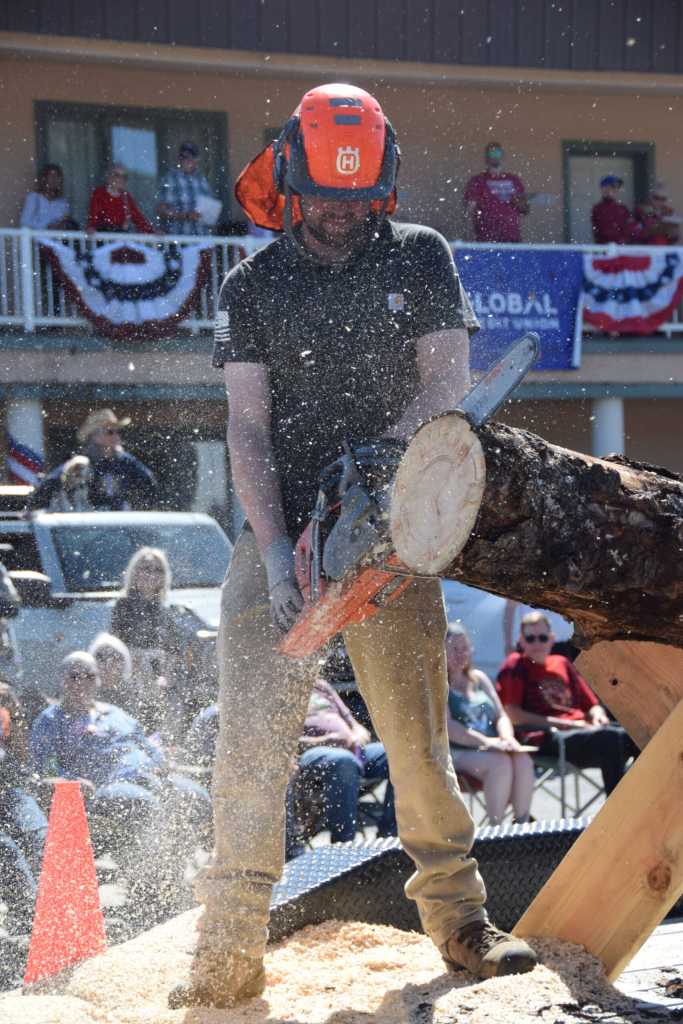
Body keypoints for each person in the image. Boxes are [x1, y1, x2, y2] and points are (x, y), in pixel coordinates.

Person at [169, 82, 536, 1011]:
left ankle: (459, 925)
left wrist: (365, 496)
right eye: (323, 196)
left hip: (388, 533)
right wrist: (277, 541)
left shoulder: (420, 258)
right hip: (274, 528)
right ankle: (227, 952)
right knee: (251, 748)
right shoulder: (252, 284)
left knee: (415, 742)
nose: (338, 215)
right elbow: (246, 429)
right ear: (290, 173)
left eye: (354, 197)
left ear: (381, 183)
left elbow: (444, 384)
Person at [497, 612, 633, 796]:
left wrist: (598, 715)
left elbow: (592, 704)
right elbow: (512, 714)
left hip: (583, 733)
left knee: (635, 736)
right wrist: (563, 724)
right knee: (609, 739)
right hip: (546, 739)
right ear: (521, 641)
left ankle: (641, 801)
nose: (537, 644)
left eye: (542, 637)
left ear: (552, 639)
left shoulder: (561, 663)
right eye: (531, 638)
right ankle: (619, 807)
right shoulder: (515, 665)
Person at [446, 624, 534, 825]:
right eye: (453, 649)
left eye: (464, 648)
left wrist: (506, 738)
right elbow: (449, 728)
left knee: (522, 759)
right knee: (500, 763)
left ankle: (522, 824)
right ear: (441, 652)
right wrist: (488, 742)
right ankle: (496, 829)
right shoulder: (440, 685)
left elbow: (501, 715)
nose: (461, 654)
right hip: (457, 751)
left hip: (492, 746)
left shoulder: (479, 678)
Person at [110, 547, 191, 738]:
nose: (151, 574)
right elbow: (118, 647)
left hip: (160, 679)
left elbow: (173, 650)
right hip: (134, 676)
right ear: (135, 572)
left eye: (157, 570)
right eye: (146, 568)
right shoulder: (123, 605)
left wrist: (166, 674)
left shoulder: (166, 608)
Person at [31, 408, 158, 511]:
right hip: (92, 528)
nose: (117, 436)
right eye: (110, 432)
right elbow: (49, 484)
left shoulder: (124, 461)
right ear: (95, 437)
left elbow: (149, 483)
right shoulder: (81, 464)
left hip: (121, 526)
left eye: (117, 431)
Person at [463, 142, 529, 243]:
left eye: (497, 153)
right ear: (486, 157)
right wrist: (469, 237)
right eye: (491, 153)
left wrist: (518, 202)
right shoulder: (478, 180)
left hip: (512, 237)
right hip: (486, 238)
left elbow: (525, 209)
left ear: (502, 155)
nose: (494, 156)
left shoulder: (514, 180)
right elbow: (470, 210)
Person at [156, 142, 216, 236]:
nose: (188, 160)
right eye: (184, 156)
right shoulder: (170, 178)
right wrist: (186, 215)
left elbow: (210, 213)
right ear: (179, 158)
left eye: (192, 156)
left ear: (197, 159)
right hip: (178, 240)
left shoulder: (202, 180)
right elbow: (161, 211)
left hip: (201, 240)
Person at [87, 164, 154, 234]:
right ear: (109, 177)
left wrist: (153, 232)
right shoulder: (99, 193)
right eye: (117, 175)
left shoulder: (126, 197)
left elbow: (138, 219)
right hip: (103, 237)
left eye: (124, 177)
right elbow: (93, 216)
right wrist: (91, 227)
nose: (121, 179)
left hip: (120, 238)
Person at [19, 163, 74, 231]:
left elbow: (65, 222)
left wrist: (60, 225)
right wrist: (46, 226)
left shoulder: (63, 202)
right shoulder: (34, 198)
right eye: (51, 176)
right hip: (37, 240)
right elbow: (25, 222)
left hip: (56, 240)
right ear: (44, 179)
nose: (54, 179)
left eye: (57, 176)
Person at [591, 174, 642, 245]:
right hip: (606, 248)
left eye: (617, 187)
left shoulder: (622, 208)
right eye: (612, 186)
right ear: (603, 189)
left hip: (623, 248)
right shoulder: (598, 209)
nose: (615, 189)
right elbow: (604, 230)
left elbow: (631, 228)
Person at [635, 181, 681, 245]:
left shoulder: (669, 211)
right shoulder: (641, 210)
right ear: (651, 197)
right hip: (646, 247)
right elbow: (636, 233)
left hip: (664, 247)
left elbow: (674, 237)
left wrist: (673, 234)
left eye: (663, 199)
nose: (659, 201)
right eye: (656, 198)